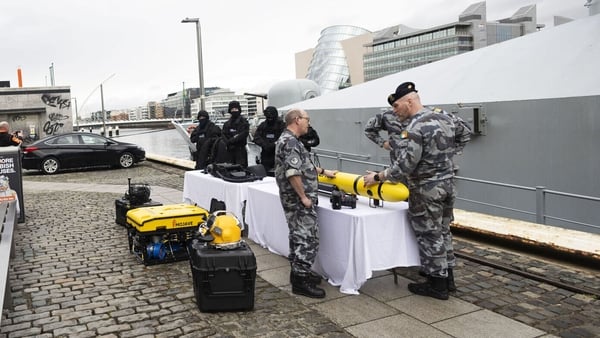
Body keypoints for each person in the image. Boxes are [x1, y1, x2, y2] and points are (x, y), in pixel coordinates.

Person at [363, 82, 462, 301]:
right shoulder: (445, 117)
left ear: (410, 100)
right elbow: (463, 134)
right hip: (447, 184)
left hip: (426, 189)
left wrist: (378, 177)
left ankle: (437, 285)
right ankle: (449, 279)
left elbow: (405, 166)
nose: (395, 110)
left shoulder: (415, 127)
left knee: (430, 234)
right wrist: (446, 157)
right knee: (444, 231)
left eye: (397, 105)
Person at [274, 108, 336, 299]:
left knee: (297, 235)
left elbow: (302, 165)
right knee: (307, 238)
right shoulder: (291, 142)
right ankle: (301, 281)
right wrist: (304, 197)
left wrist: (324, 172)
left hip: (292, 199)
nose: (309, 123)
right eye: (307, 119)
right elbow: (293, 173)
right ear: (297, 120)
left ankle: (298, 273)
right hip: (298, 200)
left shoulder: (286, 139)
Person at [253, 106, 285, 173]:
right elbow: (256, 137)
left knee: (280, 173)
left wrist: (274, 144)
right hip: (266, 154)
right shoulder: (263, 125)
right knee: (265, 173)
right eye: (268, 116)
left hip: (278, 154)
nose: (269, 118)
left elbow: (285, 137)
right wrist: (265, 144)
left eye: (271, 116)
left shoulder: (281, 125)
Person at [221, 100, 250, 167]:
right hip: (230, 150)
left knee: (241, 168)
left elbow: (244, 133)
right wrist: (228, 142)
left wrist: (232, 140)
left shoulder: (244, 122)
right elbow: (223, 134)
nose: (234, 111)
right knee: (230, 168)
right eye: (232, 109)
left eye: (236, 109)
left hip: (240, 150)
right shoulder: (227, 123)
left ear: (239, 109)